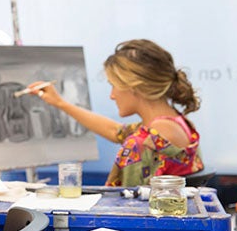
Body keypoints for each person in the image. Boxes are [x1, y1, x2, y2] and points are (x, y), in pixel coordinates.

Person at [24, 39, 203, 186]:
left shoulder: (144, 143)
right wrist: (60, 103)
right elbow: (115, 131)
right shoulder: (172, 124)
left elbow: (123, 207)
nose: (112, 95)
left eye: (113, 86)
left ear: (134, 86)